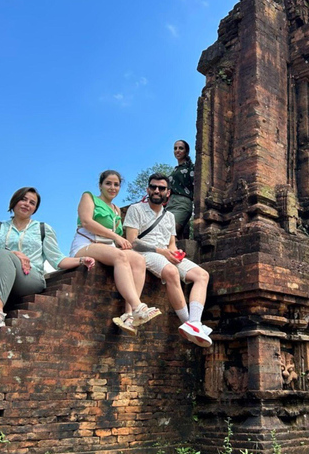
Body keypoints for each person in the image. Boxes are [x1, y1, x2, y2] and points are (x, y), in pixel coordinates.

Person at [0, 187, 96, 360]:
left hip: (29, 279)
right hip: (0, 280)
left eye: (32, 203)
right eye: (24, 199)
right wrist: (15, 254)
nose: (27, 204)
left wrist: (81, 260)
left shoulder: (42, 229)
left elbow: (57, 259)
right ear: (14, 202)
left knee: (0, 257)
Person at [124, 173, 212, 348]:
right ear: (148, 189)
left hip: (165, 254)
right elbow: (133, 241)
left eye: (161, 188)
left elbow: (171, 243)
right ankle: (188, 322)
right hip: (145, 253)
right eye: (154, 187)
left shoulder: (169, 216)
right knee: (171, 272)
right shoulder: (136, 209)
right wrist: (162, 251)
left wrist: (175, 253)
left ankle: (194, 322)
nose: (157, 190)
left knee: (202, 275)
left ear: (168, 193)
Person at [69, 170, 161, 334]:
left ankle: (129, 315)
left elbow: (116, 240)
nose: (112, 187)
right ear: (100, 185)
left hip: (108, 247)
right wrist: (116, 237)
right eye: (108, 183)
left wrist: (121, 242)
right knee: (120, 256)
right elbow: (86, 221)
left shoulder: (116, 210)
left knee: (138, 260)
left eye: (116, 184)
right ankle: (138, 306)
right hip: (87, 243)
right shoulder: (89, 197)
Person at [167, 140, 195, 238]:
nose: (177, 151)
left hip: (183, 203)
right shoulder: (175, 170)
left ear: (186, 151)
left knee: (169, 234)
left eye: (181, 148)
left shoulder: (191, 168)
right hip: (170, 204)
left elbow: (195, 186)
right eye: (175, 148)